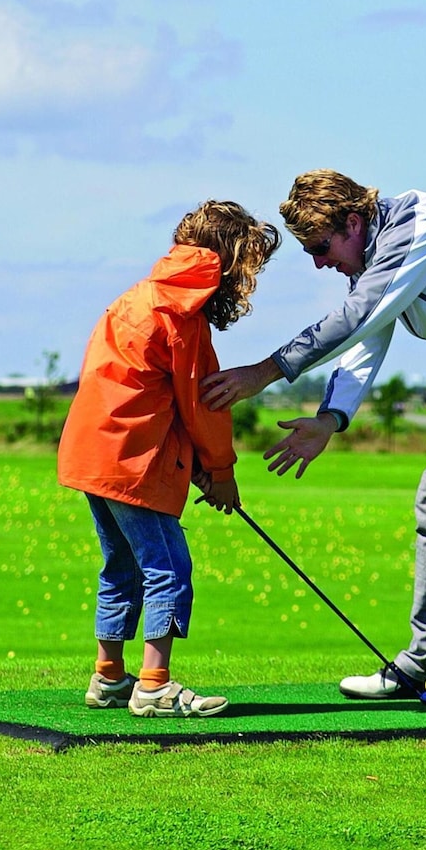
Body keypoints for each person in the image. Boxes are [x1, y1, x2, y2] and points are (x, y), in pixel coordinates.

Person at [201, 169, 426, 715]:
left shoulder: (422, 228)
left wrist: (265, 371)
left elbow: (359, 315)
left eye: (322, 247)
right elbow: (366, 333)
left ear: (354, 222)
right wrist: (331, 418)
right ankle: (424, 663)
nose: (320, 262)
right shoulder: (377, 259)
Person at [58, 201, 280, 718]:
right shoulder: (184, 315)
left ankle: (109, 676)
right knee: (168, 567)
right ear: (228, 260)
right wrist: (220, 474)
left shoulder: (137, 296)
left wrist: (197, 465)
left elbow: (152, 395)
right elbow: (204, 405)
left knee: (121, 565)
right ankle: (155, 684)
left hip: (95, 456)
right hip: (135, 462)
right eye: (248, 266)